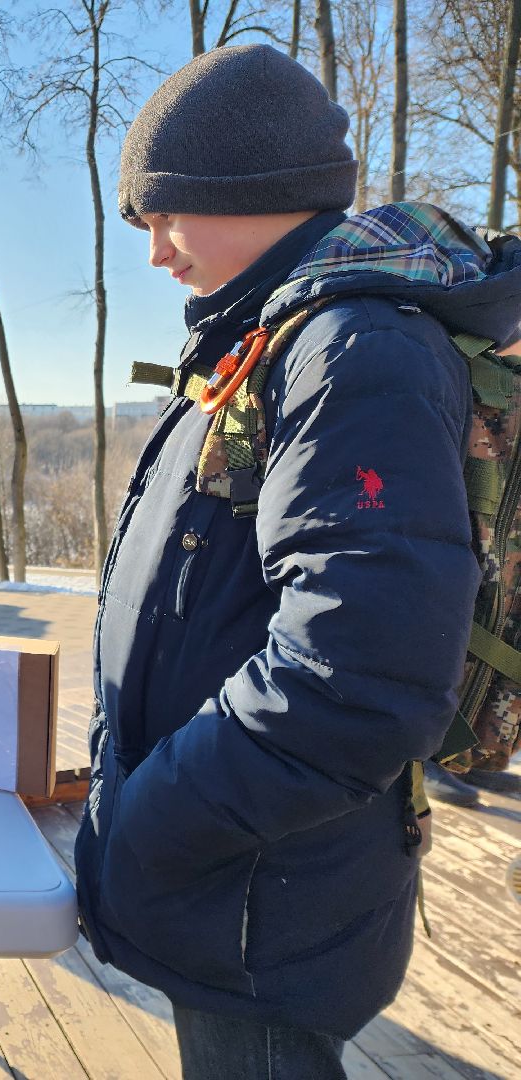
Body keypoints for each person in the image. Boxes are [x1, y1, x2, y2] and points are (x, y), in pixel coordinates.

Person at [75, 45, 519, 1080]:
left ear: (246, 186)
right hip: (237, 878)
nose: (154, 253)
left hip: (258, 897)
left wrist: (148, 825)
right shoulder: (270, 340)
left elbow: (354, 675)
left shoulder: (354, 353)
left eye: (162, 215)